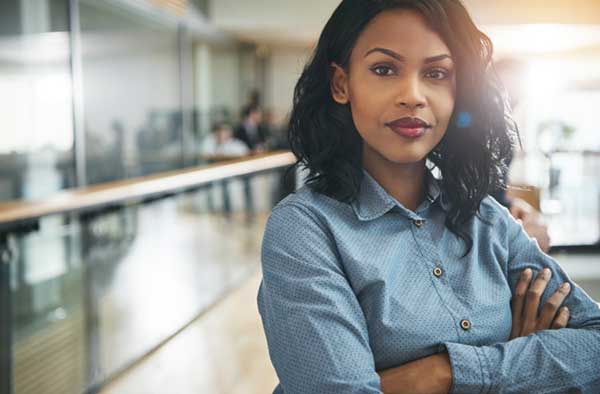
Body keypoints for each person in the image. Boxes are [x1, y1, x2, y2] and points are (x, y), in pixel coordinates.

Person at [257, 1, 600, 393]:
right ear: (341, 84)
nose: (413, 96)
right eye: (384, 69)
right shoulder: (305, 230)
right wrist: (518, 361)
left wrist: (441, 373)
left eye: (437, 73)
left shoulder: (486, 218)